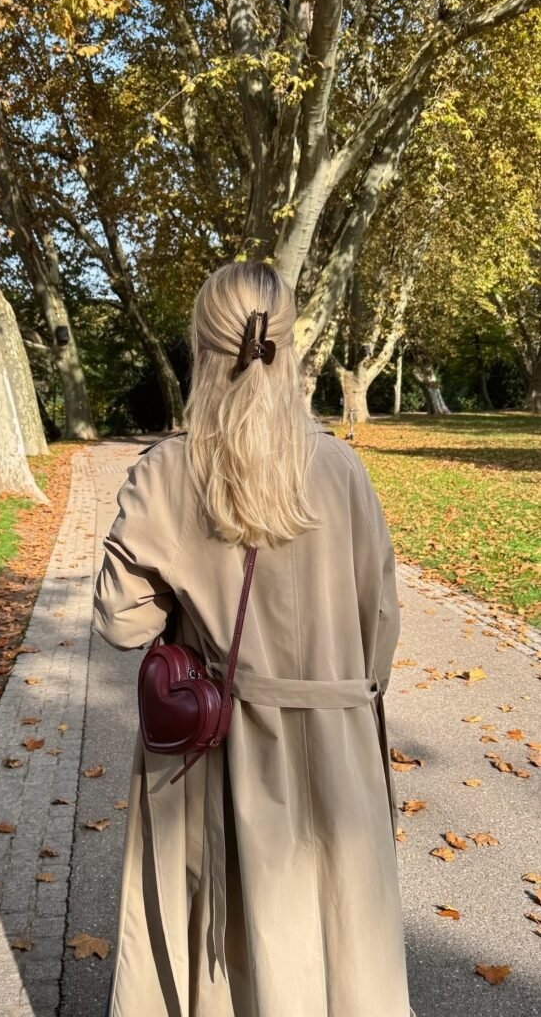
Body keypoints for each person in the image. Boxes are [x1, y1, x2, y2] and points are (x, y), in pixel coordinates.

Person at [92, 260, 416, 1017]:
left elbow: (119, 622)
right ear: (289, 343)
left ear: (202, 345)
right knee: (340, 935)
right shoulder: (342, 468)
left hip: (223, 752)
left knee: (234, 947)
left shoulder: (166, 473)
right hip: (339, 737)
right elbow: (381, 624)